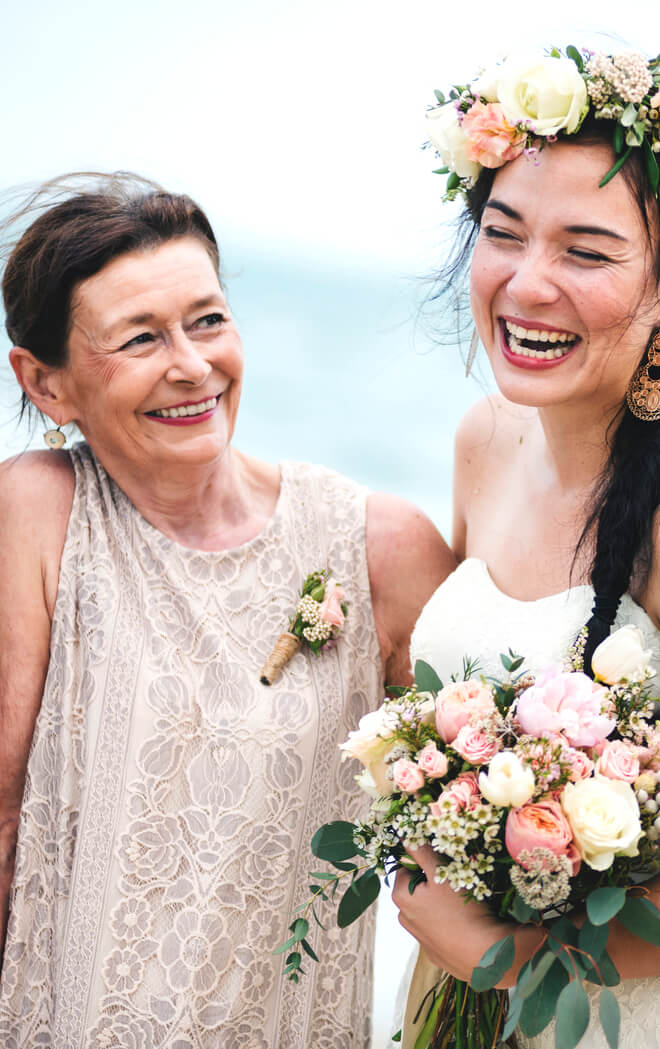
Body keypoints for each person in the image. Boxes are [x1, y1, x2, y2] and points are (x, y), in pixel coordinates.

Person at [387, 47, 660, 1048]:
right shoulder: (485, 437)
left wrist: (517, 959)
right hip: (467, 993)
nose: (526, 283)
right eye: (502, 233)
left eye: (585, 252)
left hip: (631, 1015)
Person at [0, 173, 457, 1048]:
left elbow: (465, 843)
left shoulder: (377, 545)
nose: (191, 364)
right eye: (139, 338)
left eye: (207, 320)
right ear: (46, 384)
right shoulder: (36, 514)